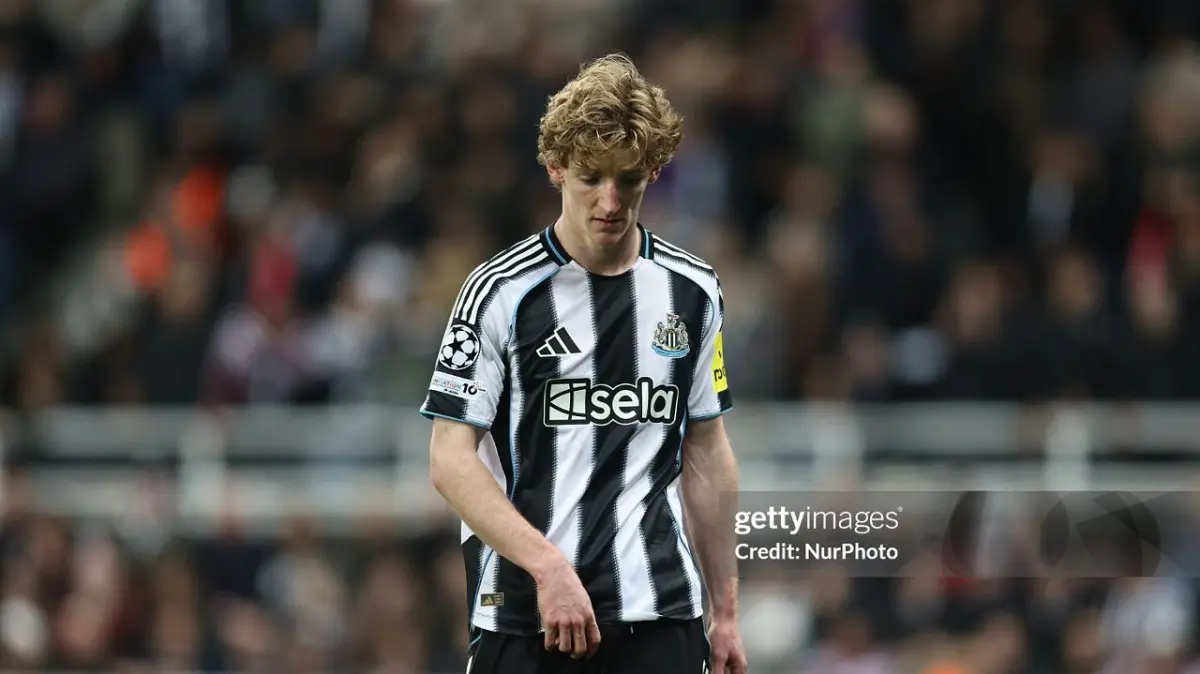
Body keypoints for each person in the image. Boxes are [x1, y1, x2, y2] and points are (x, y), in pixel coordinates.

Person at [421, 53, 748, 674]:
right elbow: (449, 460)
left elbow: (707, 451)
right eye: (590, 176)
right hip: (525, 610)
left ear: (653, 172)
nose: (610, 199)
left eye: (628, 179)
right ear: (555, 169)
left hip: (660, 611)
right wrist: (547, 566)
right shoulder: (500, 293)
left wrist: (725, 610)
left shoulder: (692, 291)